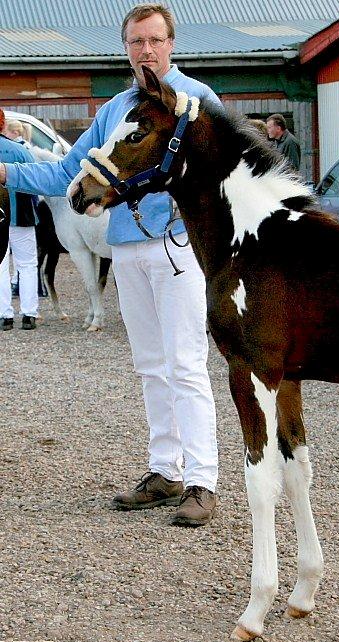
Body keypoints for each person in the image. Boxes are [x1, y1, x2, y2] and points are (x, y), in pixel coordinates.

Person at [0, 3, 220, 526]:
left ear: (171, 44)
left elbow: (220, 176)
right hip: (125, 245)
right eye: (136, 42)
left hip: (179, 245)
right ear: (126, 49)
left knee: (186, 362)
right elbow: (66, 174)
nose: (146, 51)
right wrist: (8, 173)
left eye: (155, 41)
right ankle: (165, 470)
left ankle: (202, 480)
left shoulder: (197, 102)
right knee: (150, 365)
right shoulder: (115, 110)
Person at [0, 109, 39, 330]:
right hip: (22, 213)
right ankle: (29, 314)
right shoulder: (20, 150)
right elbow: (34, 180)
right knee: (27, 264)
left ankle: (4, 315)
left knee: (0, 265)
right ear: (3, 124)